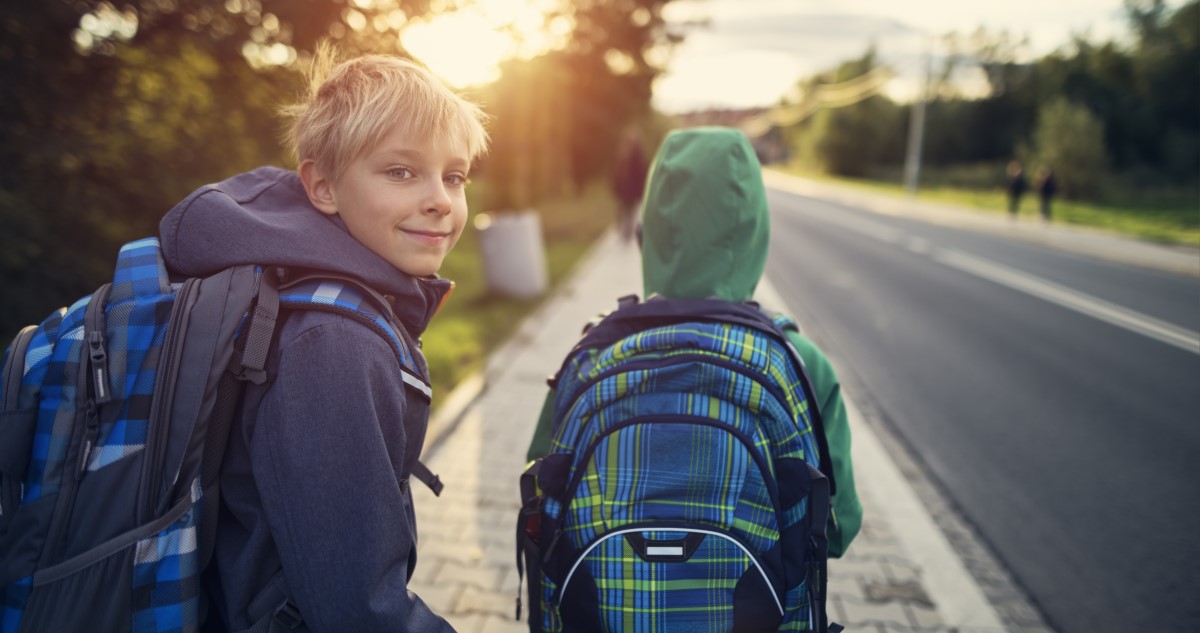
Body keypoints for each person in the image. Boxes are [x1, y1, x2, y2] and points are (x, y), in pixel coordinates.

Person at [158, 48, 488, 631]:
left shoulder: (314, 297)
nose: (440, 199)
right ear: (324, 188)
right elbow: (356, 610)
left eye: (454, 175)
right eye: (401, 172)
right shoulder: (334, 342)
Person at [526, 126, 862, 560]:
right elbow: (837, 529)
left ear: (655, 231)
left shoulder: (594, 352)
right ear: (754, 232)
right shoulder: (801, 363)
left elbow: (538, 489)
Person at [611, 126, 648, 243]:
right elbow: (617, 174)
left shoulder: (634, 156)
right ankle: (625, 232)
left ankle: (626, 232)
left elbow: (641, 175)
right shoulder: (627, 156)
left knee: (628, 211)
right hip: (626, 190)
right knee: (626, 211)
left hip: (629, 191)